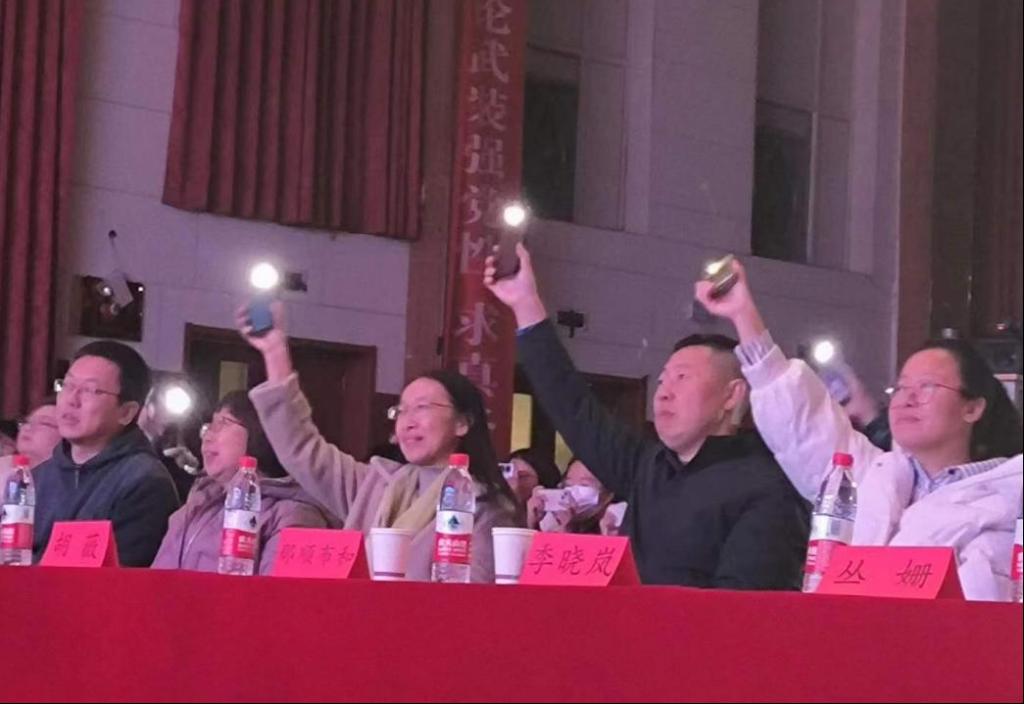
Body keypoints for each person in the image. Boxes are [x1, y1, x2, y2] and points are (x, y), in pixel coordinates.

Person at [695, 257, 1024, 601]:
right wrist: (742, 313)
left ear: (973, 407)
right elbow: (801, 427)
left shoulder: (1005, 498)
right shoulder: (870, 477)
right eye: (901, 387)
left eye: (927, 387)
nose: (907, 399)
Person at [485, 244, 810, 589]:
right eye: (663, 379)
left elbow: (744, 608)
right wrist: (525, 303)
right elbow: (575, 408)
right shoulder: (649, 465)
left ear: (732, 395)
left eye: (682, 378)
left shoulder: (768, 486)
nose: (664, 392)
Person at [236, 303, 520, 582]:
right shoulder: (375, 485)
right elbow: (302, 450)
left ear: (462, 423)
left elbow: (476, 599)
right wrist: (274, 352)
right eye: (401, 410)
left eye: (422, 407)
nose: (408, 421)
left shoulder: (485, 506)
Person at [152, 391, 336, 574]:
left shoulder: (295, 516)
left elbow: (281, 592)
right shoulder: (197, 505)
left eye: (224, 423)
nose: (207, 436)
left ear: (261, 432)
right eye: (209, 426)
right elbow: (155, 579)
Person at [31, 341, 180, 566]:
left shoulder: (145, 482)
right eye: (68, 385)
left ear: (126, 412)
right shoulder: (39, 476)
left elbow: (122, 576)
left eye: (90, 390)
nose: (72, 400)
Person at [525, 457, 623, 535]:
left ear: (609, 492)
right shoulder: (554, 523)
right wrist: (532, 522)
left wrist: (569, 534)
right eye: (569, 484)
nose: (572, 491)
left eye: (584, 485)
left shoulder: (615, 526)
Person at [0, 397, 62, 489]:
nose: (27, 428)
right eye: (26, 422)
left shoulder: (69, 484)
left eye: (44, 423)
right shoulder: (4, 466)